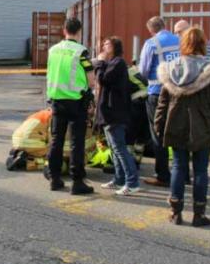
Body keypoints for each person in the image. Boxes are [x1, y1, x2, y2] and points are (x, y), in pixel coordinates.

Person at [155, 26, 210, 227]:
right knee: (201, 170)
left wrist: (159, 126)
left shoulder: (170, 68)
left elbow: (163, 102)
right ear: (203, 44)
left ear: (183, 44)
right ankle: (199, 214)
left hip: (176, 123)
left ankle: (176, 212)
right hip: (203, 125)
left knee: (178, 166)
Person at [46, 17, 95, 194]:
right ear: (79, 31)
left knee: (56, 140)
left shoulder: (53, 50)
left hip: (57, 100)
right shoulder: (81, 52)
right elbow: (91, 80)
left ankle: (54, 178)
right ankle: (77, 182)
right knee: (76, 142)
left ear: (64, 30)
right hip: (76, 102)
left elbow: (50, 73)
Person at [94, 37, 141, 195]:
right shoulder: (112, 63)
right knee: (114, 149)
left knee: (120, 149)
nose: (103, 46)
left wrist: (100, 62)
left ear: (114, 46)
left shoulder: (118, 63)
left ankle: (132, 182)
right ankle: (119, 179)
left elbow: (103, 79)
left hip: (115, 113)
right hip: (108, 113)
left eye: (106, 43)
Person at [139, 16, 179, 187]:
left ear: (151, 30)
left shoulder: (151, 43)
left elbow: (144, 71)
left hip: (157, 93)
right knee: (177, 132)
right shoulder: (180, 40)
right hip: (178, 92)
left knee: (158, 135)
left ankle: (162, 174)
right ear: (165, 26)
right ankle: (181, 173)